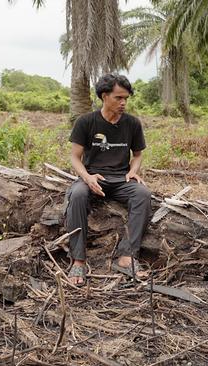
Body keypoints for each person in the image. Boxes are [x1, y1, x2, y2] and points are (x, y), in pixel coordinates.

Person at [64, 73, 152, 286]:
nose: (123, 103)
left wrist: (133, 171)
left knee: (143, 194)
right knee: (76, 194)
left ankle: (126, 256)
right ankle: (78, 259)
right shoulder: (86, 122)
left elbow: (138, 154)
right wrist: (86, 177)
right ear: (104, 96)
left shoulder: (132, 124)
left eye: (126, 99)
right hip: (93, 176)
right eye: (118, 98)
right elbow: (75, 157)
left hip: (121, 179)